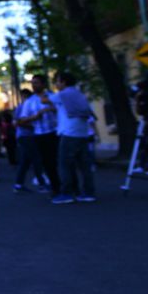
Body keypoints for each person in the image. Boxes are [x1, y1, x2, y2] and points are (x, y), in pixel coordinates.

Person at [46, 72, 97, 204]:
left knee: (64, 165)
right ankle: (88, 193)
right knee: (84, 165)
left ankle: (66, 193)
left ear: (63, 82)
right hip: (83, 132)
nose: (56, 84)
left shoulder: (62, 94)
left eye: (57, 81)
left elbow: (45, 100)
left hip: (69, 133)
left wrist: (48, 94)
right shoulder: (79, 94)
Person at [19, 75, 61, 197]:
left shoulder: (53, 96)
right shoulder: (29, 102)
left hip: (56, 132)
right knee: (48, 162)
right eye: (32, 83)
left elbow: (63, 110)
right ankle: (56, 187)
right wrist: (35, 116)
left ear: (43, 84)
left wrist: (52, 109)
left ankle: (71, 186)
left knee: (62, 161)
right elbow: (21, 121)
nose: (33, 85)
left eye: (36, 83)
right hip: (40, 135)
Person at [12, 88, 48, 193]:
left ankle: (18, 185)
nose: (25, 98)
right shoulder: (20, 108)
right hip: (25, 136)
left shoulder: (31, 106)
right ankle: (42, 184)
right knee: (36, 159)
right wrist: (32, 125)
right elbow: (17, 122)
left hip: (31, 136)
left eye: (26, 96)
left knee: (25, 161)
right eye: (23, 96)